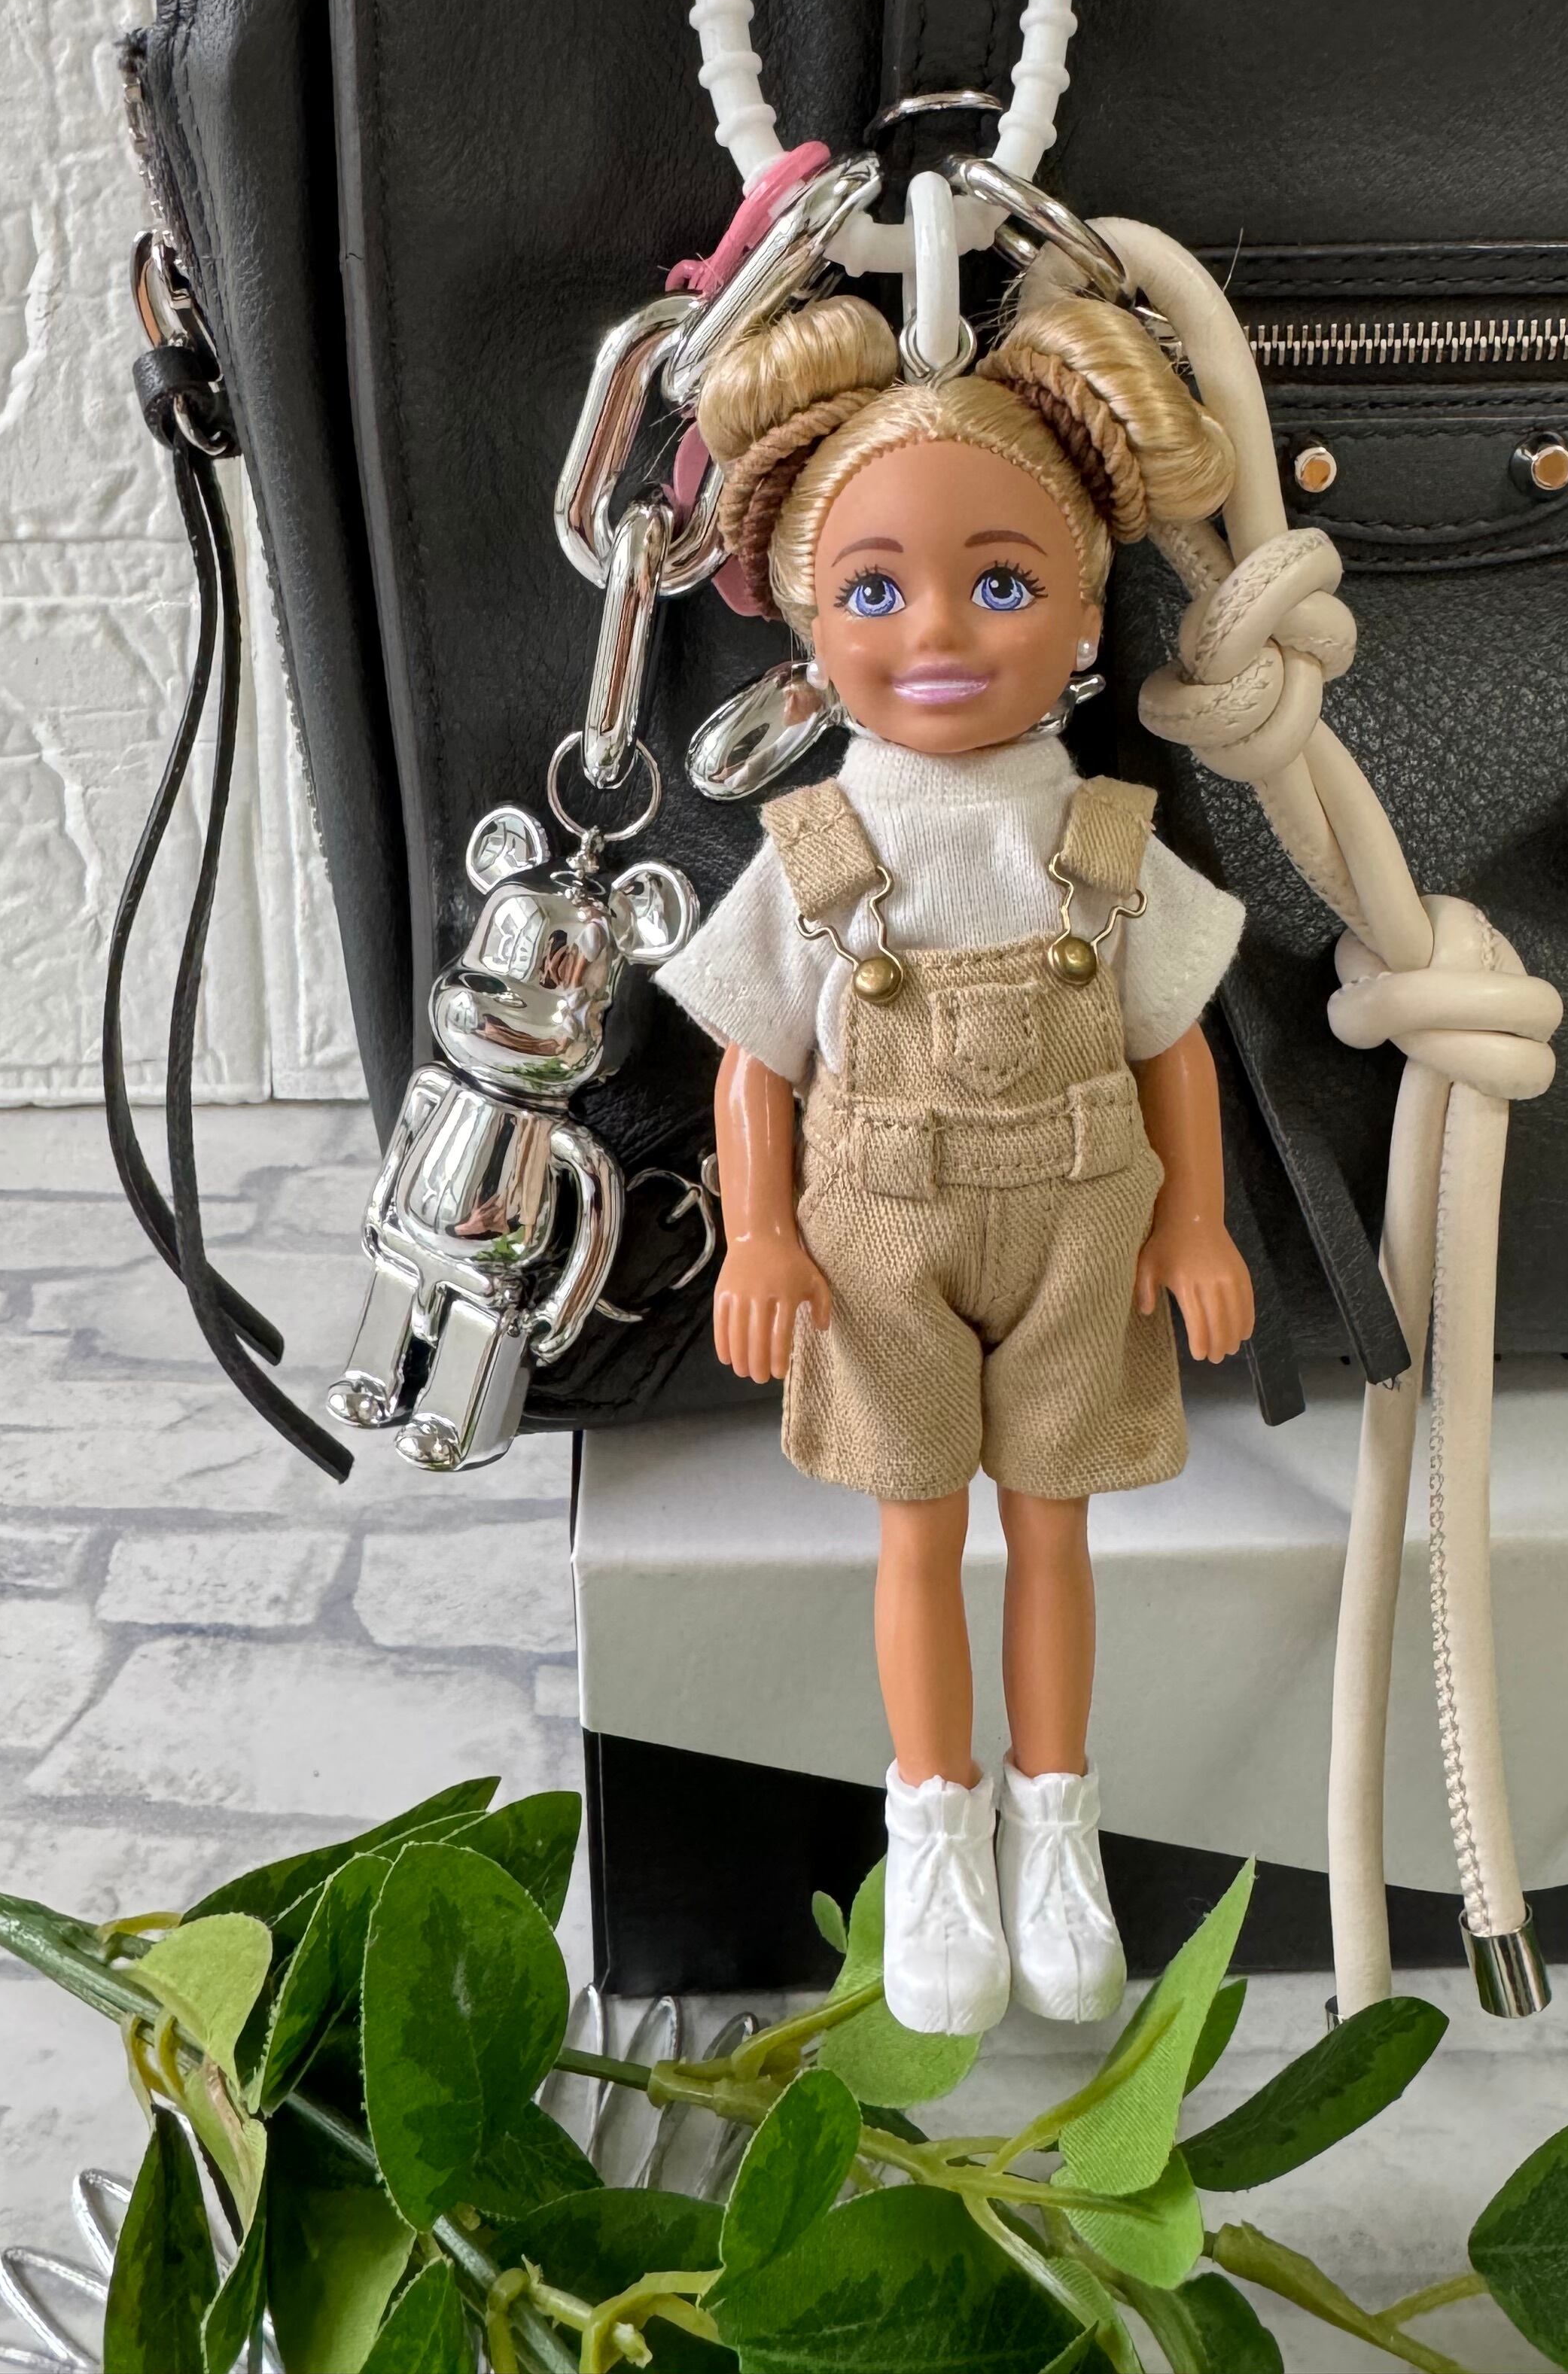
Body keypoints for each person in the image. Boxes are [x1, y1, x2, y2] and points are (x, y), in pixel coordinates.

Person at [658, 288, 1256, 2035]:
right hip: (878, 1236)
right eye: (873, 591)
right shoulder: (815, 842)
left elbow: (1172, 1045)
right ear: (803, 618)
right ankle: (935, 1825)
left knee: (1055, 1533)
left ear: (1085, 612)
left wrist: (1199, 1222)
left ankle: (1056, 1825)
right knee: (917, 1538)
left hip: (1083, 1226)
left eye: (1000, 585)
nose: (936, 631)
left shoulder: (1103, 831)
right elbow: (759, 1062)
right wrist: (759, 1237)